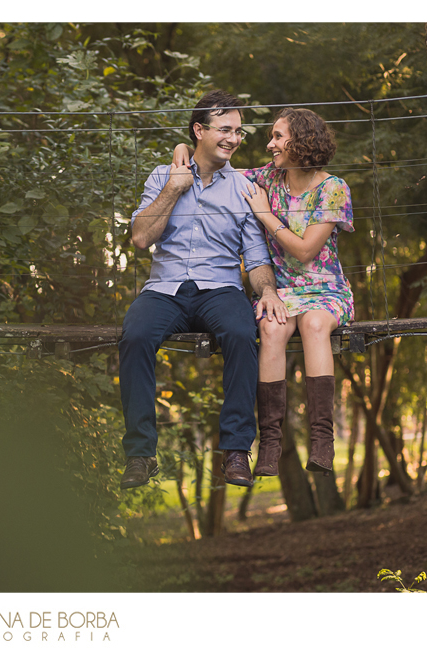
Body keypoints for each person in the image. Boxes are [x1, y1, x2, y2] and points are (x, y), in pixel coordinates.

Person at [119, 90, 287, 490]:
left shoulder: (244, 187)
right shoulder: (163, 176)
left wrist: (267, 291)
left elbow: (257, 257)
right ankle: (140, 455)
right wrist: (175, 188)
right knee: (135, 335)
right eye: (225, 129)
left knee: (244, 332)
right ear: (199, 130)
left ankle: (234, 451)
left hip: (220, 289)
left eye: (239, 131)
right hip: (165, 288)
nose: (233, 138)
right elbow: (141, 238)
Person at [173, 107, 354, 476]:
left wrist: (265, 215)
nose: (269, 144)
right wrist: (182, 148)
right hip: (281, 292)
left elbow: (305, 250)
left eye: (277, 136)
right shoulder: (268, 179)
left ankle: (322, 442)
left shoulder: (332, 187)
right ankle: (270, 443)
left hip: (326, 290)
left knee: (315, 326)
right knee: (270, 328)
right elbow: (216, 169)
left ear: (301, 141)